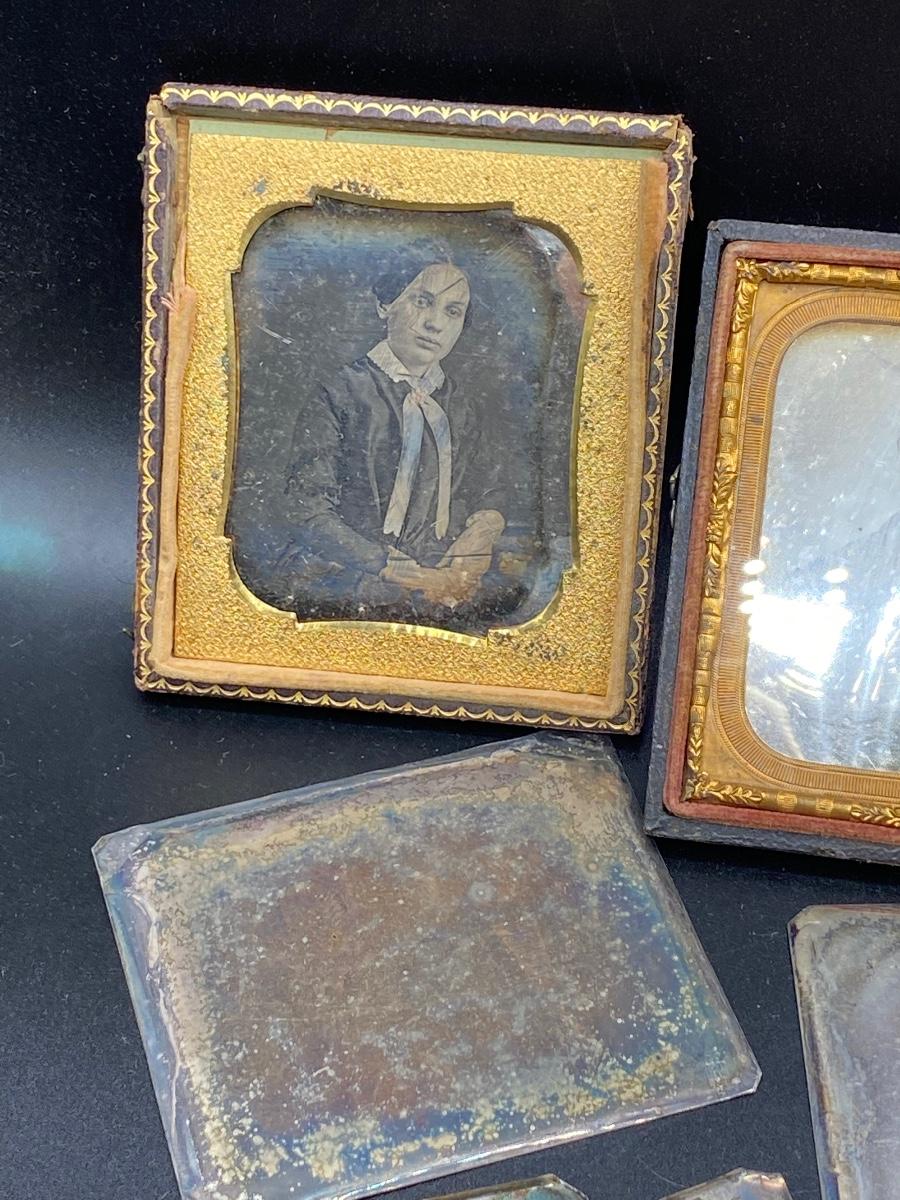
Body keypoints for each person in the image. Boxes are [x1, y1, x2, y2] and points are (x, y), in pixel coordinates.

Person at [274, 253, 527, 628]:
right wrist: (394, 568)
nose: (434, 323)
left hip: (437, 578)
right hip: (346, 576)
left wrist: (482, 532)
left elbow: (490, 486)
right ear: (385, 305)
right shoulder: (340, 393)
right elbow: (306, 508)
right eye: (422, 301)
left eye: (453, 311)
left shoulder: (461, 406)